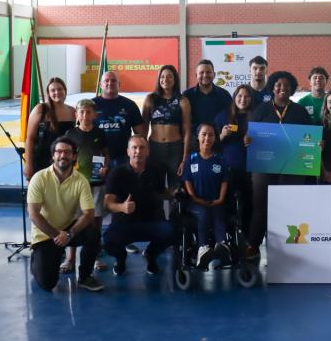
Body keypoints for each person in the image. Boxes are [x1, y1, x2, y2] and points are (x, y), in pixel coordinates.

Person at [247, 71, 314, 259]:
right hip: (265, 165)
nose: (282, 88)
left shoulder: (299, 110)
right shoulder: (262, 109)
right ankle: (253, 244)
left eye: (286, 85)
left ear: (292, 88)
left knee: (290, 205)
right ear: (272, 87)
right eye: (278, 84)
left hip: (293, 165)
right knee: (260, 204)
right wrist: (247, 140)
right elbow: (251, 134)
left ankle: (291, 246)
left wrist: (317, 145)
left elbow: (309, 137)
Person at [27, 137, 103, 292]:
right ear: (53, 155)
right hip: (45, 233)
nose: (63, 155)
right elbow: (34, 215)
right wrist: (56, 236)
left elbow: (89, 214)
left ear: (74, 156)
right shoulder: (39, 178)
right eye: (59, 152)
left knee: (93, 233)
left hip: (67, 230)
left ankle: (84, 277)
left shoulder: (81, 181)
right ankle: (37, 260)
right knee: (48, 284)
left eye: (67, 152)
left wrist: (68, 234)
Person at [103, 135, 178, 276]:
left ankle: (151, 255)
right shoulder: (117, 173)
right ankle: (120, 259)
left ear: (148, 151)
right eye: (134, 148)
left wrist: (175, 193)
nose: (138, 151)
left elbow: (162, 193)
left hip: (149, 223)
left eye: (142, 147)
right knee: (108, 240)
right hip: (123, 225)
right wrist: (121, 207)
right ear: (128, 152)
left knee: (173, 231)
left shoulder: (155, 171)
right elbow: (107, 204)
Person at [92, 70, 146, 254]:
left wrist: (135, 153)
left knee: (123, 198)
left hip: (123, 159)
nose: (110, 83)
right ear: (101, 85)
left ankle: (124, 238)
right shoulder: (93, 104)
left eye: (113, 80)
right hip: (98, 160)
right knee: (98, 199)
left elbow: (140, 134)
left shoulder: (129, 105)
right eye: (106, 80)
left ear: (119, 84)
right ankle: (96, 240)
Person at [62, 99, 110, 273]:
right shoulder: (70, 133)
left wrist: (105, 167)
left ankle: (94, 254)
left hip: (96, 182)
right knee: (74, 219)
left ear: (94, 115)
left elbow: (105, 154)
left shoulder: (100, 133)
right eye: (81, 112)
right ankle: (71, 257)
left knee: (96, 219)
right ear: (76, 115)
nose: (85, 116)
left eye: (89, 112)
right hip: (75, 184)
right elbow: (65, 156)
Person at [142, 65, 192, 218]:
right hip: (154, 150)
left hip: (175, 150)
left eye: (169, 76)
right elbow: (143, 128)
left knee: (176, 190)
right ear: (159, 79)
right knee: (156, 189)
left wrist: (184, 158)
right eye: (163, 76)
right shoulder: (151, 99)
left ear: (175, 79)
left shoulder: (182, 101)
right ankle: (158, 226)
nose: (166, 79)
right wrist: (143, 152)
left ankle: (175, 229)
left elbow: (187, 131)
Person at [182, 122, 231, 270]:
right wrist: (194, 198)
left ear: (215, 138)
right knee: (203, 214)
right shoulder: (191, 158)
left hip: (215, 201)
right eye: (204, 134)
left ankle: (223, 247)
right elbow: (187, 180)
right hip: (195, 203)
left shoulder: (220, 159)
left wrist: (221, 199)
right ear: (198, 136)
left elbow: (224, 181)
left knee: (218, 215)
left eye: (211, 135)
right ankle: (203, 249)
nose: (207, 138)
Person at [215, 84, 255, 236]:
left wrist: (254, 139)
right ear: (234, 97)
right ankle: (228, 235)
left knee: (249, 204)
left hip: (252, 169)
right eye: (240, 96)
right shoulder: (223, 116)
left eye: (246, 96)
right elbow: (210, 143)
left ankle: (247, 235)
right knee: (228, 203)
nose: (243, 99)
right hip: (229, 168)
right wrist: (221, 135)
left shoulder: (257, 116)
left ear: (251, 99)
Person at [24, 78, 76, 180]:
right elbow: (29, 138)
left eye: (60, 89)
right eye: (53, 90)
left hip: (63, 161)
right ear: (48, 93)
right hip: (41, 160)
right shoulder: (40, 109)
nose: (57, 92)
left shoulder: (71, 111)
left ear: (65, 90)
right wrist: (28, 164)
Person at [182, 59, 233, 136]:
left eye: (208, 72)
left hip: (219, 142)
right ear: (196, 75)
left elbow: (233, 118)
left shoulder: (225, 95)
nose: (205, 75)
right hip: (193, 142)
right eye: (201, 72)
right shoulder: (187, 95)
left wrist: (229, 131)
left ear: (214, 75)